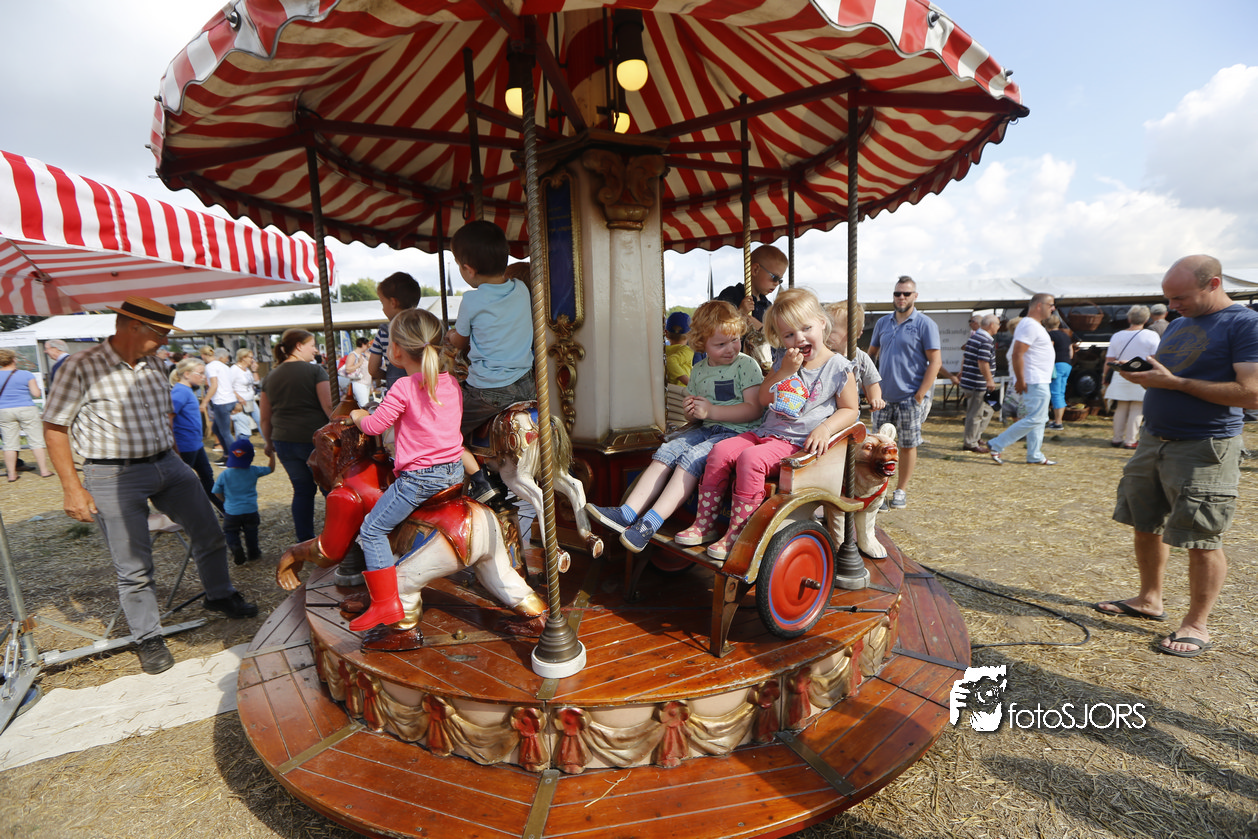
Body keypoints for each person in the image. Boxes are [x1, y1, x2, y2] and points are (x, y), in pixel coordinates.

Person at [42, 296, 257, 675]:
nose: (165, 341)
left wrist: (176, 460)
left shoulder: (156, 364)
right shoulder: (80, 366)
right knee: (134, 564)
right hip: (111, 473)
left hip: (167, 463)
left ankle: (219, 594)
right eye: (161, 333)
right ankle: (148, 636)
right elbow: (55, 426)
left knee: (210, 531)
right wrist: (72, 487)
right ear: (133, 326)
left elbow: (162, 418)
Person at [1096, 254, 1258, 658]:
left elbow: (1252, 393)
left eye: (1180, 297)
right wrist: (1144, 377)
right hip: (1154, 439)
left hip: (1205, 446)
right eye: (1168, 298)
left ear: (1213, 284)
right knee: (1145, 522)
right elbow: (1167, 378)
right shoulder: (1181, 324)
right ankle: (1149, 599)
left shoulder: (1245, 324)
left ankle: (1197, 624)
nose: (1172, 306)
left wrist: (1177, 383)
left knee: (1202, 537)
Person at [677, 289, 859, 559]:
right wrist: (785, 371)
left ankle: (740, 533)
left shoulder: (838, 367)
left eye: (806, 328)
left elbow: (850, 409)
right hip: (765, 432)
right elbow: (763, 398)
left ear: (822, 322)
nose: (799, 338)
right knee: (720, 451)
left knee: (750, 459)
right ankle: (705, 524)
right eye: (789, 335)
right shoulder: (784, 361)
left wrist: (826, 428)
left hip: (797, 442)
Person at [587, 300, 764, 552]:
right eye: (721, 344)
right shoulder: (699, 370)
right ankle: (627, 512)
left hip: (737, 433)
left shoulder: (745, 365)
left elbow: (754, 409)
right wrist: (692, 413)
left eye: (735, 340)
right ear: (702, 344)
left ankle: (649, 524)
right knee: (668, 450)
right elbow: (696, 417)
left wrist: (712, 411)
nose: (731, 349)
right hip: (706, 429)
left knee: (692, 458)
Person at [349, 308, 465, 631]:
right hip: (454, 471)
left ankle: (385, 604)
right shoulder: (451, 383)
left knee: (372, 530)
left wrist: (357, 415)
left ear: (397, 350)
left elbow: (374, 426)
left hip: (420, 479)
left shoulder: (402, 387)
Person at [444, 220, 536, 503]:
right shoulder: (521, 289)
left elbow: (460, 342)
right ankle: (493, 470)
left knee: (443, 426)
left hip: (489, 390)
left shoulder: (472, 300)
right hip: (527, 385)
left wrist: (449, 335)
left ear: (468, 269)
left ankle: (481, 481)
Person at [867, 276, 943, 509]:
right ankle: (879, 492)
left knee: (908, 445)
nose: (901, 297)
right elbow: (870, 355)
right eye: (897, 293)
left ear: (915, 296)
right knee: (879, 446)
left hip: (910, 397)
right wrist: (869, 387)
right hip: (883, 397)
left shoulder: (925, 324)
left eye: (906, 293)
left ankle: (900, 490)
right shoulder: (883, 323)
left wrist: (920, 395)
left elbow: (935, 362)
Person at [261, 328, 334, 543]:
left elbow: (265, 417)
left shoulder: (271, 376)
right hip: (313, 440)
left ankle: (304, 539)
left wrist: (268, 442)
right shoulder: (315, 371)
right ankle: (336, 537)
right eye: (312, 345)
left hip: (283, 441)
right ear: (299, 346)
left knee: (302, 491)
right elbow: (329, 406)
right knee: (329, 490)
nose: (315, 350)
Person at [986, 293, 1057, 465]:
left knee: (1038, 418)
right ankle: (997, 443)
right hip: (1034, 379)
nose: (1053, 309)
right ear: (1039, 306)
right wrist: (1020, 379)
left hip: (1038, 378)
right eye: (1051, 305)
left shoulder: (1033, 325)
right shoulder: (1029, 325)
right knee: (1037, 418)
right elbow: (1017, 353)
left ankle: (1034, 454)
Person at [714, 245, 789, 364]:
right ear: (755, 270)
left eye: (780, 280)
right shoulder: (732, 295)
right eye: (774, 278)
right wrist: (740, 313)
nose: (776, 284)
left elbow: (777, 340)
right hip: (734, 363)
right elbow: (716, 328)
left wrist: (760, 327)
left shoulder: (769, 307)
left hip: (762, 364)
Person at [169, 358, 223, 512]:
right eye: (200, 373)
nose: (203, 377)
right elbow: (168, 417)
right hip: (185, 446)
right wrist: (174, 447)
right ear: (187, 374)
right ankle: (182, 514)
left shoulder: (187, 390)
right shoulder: (180, 391)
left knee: (207, 476)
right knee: (183, 483)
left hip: (195, 444)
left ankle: (224, 510)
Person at [1104, 305, 1161, 449]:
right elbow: (1155, 358)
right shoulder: (1151, 335)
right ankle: (1130, 441)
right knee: (1137, 408)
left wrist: (1104, 377)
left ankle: (1116, 439)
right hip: (1141, 373)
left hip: (1120, 373)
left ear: (1129, 318)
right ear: (1147, 319)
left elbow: (1109, 360)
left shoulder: (1117, 335)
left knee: (1121, 407)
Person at [213, 436, 275, 566]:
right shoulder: (254, 470)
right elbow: (271, 469)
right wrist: (272, 456)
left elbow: (216, 491)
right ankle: (253, 553)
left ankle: (235, 547)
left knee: (230, 531)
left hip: (232, 512)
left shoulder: (225, 474)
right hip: (250, 510)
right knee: (251, 532)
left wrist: (225, 500)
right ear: (250, 457)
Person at [824, 300, 884, 419]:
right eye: (824, 330)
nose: (825, 335)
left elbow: (872, 382)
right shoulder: (823, 354)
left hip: (849, 414)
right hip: (825, 412)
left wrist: (875, 398)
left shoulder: (861, 358)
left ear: (853, 333)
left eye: (830, 331)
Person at [0, 348, 53, 481]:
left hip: (4, 410)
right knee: (36, 440)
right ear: (14, 360)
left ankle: (12, 474)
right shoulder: (26, 374)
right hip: (26, 408)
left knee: (9, 444)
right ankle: (44, 470)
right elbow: (36, 393)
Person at [368, 271, 422, 394]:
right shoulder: (425, 327)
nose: (383, 308)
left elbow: (372, 369)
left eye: (383, 303)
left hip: (397, 394)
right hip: (423, 390)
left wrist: (388, 376)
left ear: (393, 302)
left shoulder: (384, 332)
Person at [957, 314, 1000, 453]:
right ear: (991, 325)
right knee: (975, 414)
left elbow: (967, 357)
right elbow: (983, 362)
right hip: (977, 383)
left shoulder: (975, 337)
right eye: (998, 324)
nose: (999, 327)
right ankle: (970, 443)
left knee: (988, 409)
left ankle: (975, 436)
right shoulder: (985, 340)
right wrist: (989, 379)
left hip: (972, 381)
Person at [203, 346, 236, 462]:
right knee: (217, 429)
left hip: (221, 401)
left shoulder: (210, 367)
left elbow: (214, 385)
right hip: (228, 400)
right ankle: (227, 455)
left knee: (225, 432)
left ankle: (234, 458)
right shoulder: (225, 367)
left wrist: (204, 402)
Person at [1045, 313, 1074, 430]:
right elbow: (1071, 352)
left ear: (1045, 324)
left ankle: (1058, 422)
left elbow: (1049, 350)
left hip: (1056, 365)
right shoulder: (1066, 335)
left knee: (1055, 393)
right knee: (1061, 392)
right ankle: (1058, 420)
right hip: (1067, 365)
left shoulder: (1049, 335)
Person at [340, 336, 372, 407]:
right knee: (364, 406)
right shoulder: (353, 355)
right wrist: (359, 364)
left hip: (366, 383)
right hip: (359, 383)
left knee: (364, 405)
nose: (368, 347)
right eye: (367, 345)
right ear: (363, 344)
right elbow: (348, 369)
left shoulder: (365, 355)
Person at [664, 311, 694, 386]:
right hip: (681, 391)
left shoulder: (663, 350)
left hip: (669, 390)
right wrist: (690, 384)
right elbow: (670, 361)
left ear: (666, 333)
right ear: (690, 334)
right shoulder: (687, 351)